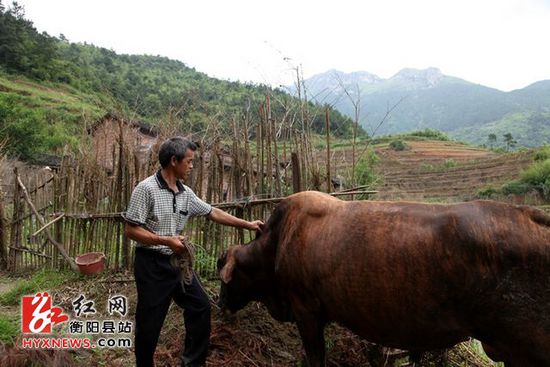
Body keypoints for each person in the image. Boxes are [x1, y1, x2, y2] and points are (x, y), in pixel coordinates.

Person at [124, 136, 263, 367]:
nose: (191, 166)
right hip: (152, 265)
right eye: (188, 161)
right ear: (173, 161)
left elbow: (212, 212)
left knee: (200, 306)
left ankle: (193, 363)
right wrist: (166, 241)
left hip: (178, 263)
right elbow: (131, 230)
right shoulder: (146, 189)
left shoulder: (185, 193)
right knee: (150, 322)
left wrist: (247, 224)